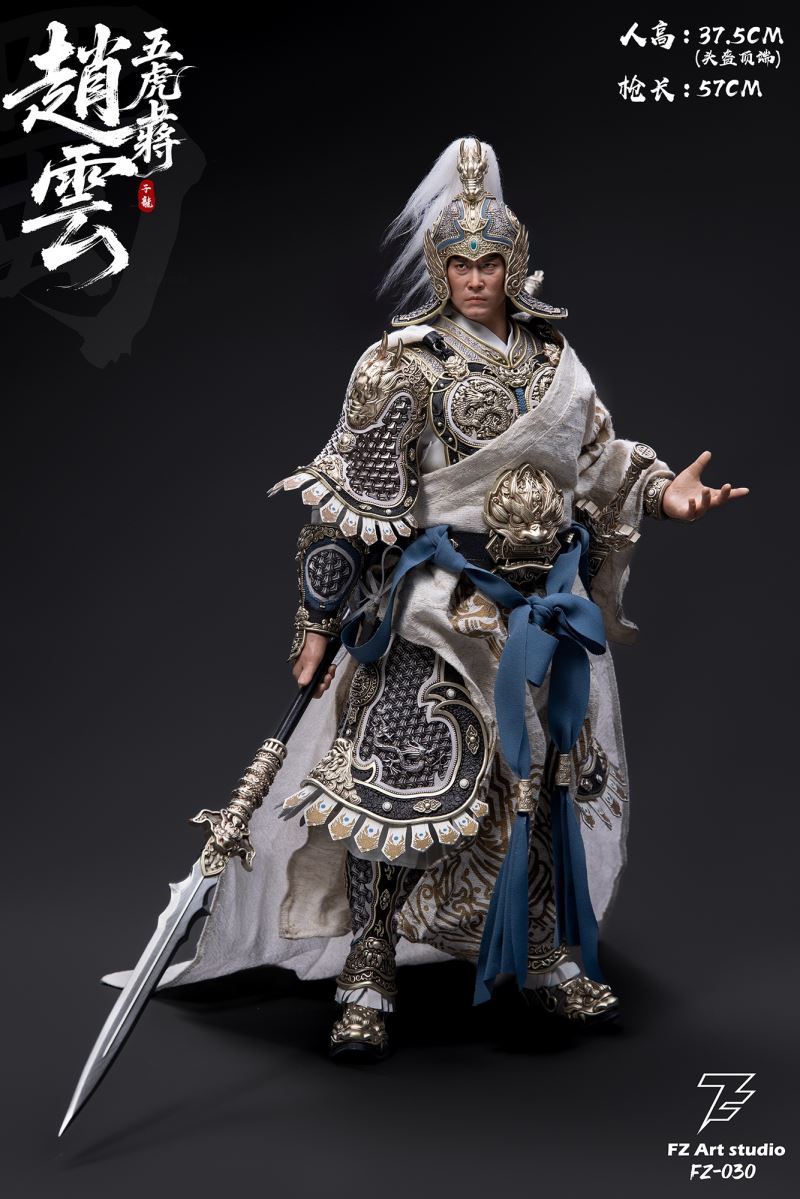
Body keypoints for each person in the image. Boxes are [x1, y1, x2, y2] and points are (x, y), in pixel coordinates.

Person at [153, 137, 746, 1059]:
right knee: (397, 783)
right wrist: (318, 621)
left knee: (542, 782)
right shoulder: (403, 365)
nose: (475, 278)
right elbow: (349, 507)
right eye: (461, 262)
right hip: (433, 606)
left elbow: (600, 463)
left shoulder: (554, 362)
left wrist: (666, 493)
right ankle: (369, 963)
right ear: (440, 266)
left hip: (540, 612)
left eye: (490, 261)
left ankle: (545, 952)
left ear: (515, 263)